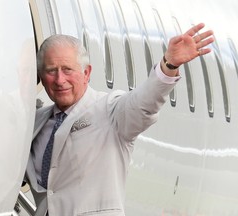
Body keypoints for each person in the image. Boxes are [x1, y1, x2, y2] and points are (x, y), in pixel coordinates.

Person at [25, 23, 214, 216]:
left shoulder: (110, 110)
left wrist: (169, 65)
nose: (59, 80)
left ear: (86, 73)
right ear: (41, 75)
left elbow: (143, 103)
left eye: (67, 70)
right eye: (51, 71)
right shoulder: (35, 123)